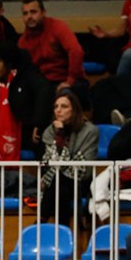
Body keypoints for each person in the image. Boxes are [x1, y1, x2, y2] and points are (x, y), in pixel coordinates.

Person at [17, 0, 87, 138]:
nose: (29, 16)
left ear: (43, 12)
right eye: (25, 13)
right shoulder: (22, 42)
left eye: (33, 12)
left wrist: (70, 79)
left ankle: (69, 139)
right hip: (43, 86)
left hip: (68, 80)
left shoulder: (57, 27)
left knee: (64, 95)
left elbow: (76, 51)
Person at [37, 91, 98, 225]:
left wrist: (61, 135)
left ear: (74, 109)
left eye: (64, 106)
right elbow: (50, 164)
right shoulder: (50, 131)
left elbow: (83, 170)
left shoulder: (89, 131)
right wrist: (60, 134)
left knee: (60, 180)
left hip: (81, 183)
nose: (58, 110)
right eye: (56, 106)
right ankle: (62, 229)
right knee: (61, 184)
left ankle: (40, 223)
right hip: (57, 183)